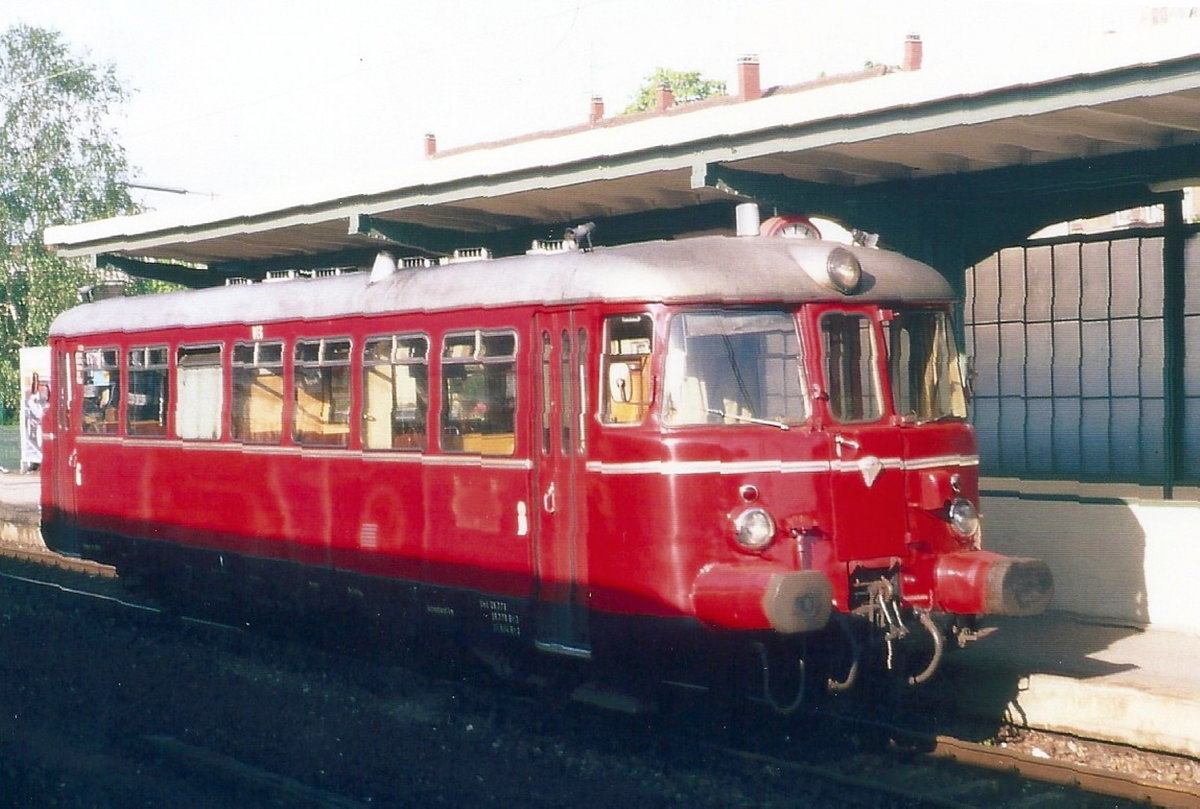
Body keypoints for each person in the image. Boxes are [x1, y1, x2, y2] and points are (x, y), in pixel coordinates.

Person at [22, 378, 49, 473]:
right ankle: (36, 461)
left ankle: (41, 461)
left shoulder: (43, 401)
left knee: (42, 442)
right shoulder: (32, 400)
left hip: (43, 424)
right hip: (38, 424)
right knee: (38, 441)